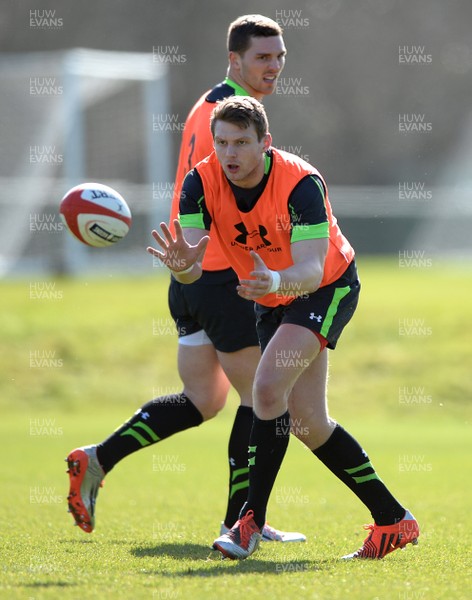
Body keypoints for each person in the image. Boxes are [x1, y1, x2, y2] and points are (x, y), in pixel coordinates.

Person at [147, 96, 420, 560]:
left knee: (267, 389)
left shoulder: (300, 183)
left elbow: (312, 270)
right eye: (221, 142)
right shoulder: (201, 181)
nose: (229, 153)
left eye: (241, 142)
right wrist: (184, 269)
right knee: (307, 423)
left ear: (265, 143)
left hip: (324, 288)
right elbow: (190, 261)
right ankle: (394, 519)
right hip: (269, 295)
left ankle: (247, 522)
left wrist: (273, 279)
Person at [65, 15, 305, 543]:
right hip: (219, 276)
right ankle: (240, 521)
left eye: (280, 56)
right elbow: (219, 197)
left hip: (191, 277)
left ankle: (97, 458)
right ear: (234, 59)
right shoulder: (227, 117)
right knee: (262, 399)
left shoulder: (212, 105)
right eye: (264, 57)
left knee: (202, 399)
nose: (275, 66)